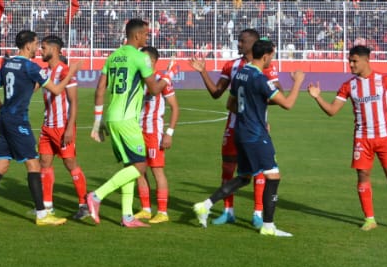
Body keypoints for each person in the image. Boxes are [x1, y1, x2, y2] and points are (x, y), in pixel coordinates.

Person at [193, 40, 305, 236]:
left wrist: (251, 111)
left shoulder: (241, 74)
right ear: (266, 56)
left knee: (244, 177)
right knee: (273, 176)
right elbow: (287, 103)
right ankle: (268, 226)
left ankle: (205, 205)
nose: (273, 59)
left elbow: (231, 104)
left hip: (241, 132)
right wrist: (298, 82)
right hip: (256, 135)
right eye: (272, 55)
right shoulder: (260, 79)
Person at [307, 45, 387, 233]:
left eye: (354, 61)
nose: (351, 64)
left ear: (366, 60)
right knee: (363, 175)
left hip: (385, 137)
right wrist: (317, 97)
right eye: (350, 60)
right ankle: (369, 219)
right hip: (362, 139)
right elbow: (332, 111)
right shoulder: (349, 85)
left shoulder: (385, 80)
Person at [0, 30, 72, 226]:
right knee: (33, 165)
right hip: (18, 121)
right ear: (28, 46)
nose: (37, 47)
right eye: (35, 44)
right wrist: (72, 71)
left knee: (1, 165)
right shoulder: (30, 67)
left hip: (5, 118)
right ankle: (42, 215)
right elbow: (57, 90)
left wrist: (2, 107)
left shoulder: (7, 63)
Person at [84, 18, 168, 227]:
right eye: (146, 34)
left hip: (112, 116)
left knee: (130, 165)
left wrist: (97, 121)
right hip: (128, 119)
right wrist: (168, 77)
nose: (147, 37)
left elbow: (100, 89)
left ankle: (127, 216)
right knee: (140, 166)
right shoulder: (141, 58)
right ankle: (96, 196)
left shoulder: (113, 56)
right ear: (137, 35)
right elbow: (155, 89)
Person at [188, 28, 276, 225]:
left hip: (255, 127)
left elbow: (277, 93)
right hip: (234, 127)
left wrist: (256, 108)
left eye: (242, 41)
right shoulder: (231, 66)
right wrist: (203, 72)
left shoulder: (266, 68)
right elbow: (217, 93)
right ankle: (228, 211)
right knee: (228, 169)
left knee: (259, 171)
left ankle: (258, 214)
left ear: (252, 44)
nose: (238, 44)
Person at [37, 35, 89, 218]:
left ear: (54, 49)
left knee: (69, 163)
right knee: (44, 162)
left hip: (62, 126)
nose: (40, 51)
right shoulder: (43, 72)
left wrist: (69, 128)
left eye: (43, 48)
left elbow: (74, 102)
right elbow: (32, 88)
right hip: (47, 126)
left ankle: (84, 204)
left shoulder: (64, 71)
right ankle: (47, 206)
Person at [134, 45, 179, 223]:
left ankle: (162, 212)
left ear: (152, 61)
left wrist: (169, 133)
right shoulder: (137, 79)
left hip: (154, 132)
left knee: (157, 171)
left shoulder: (161, 79)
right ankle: (145, 208)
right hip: (136, 131)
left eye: (143, 58)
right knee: (139, 170)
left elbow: (175, 108)